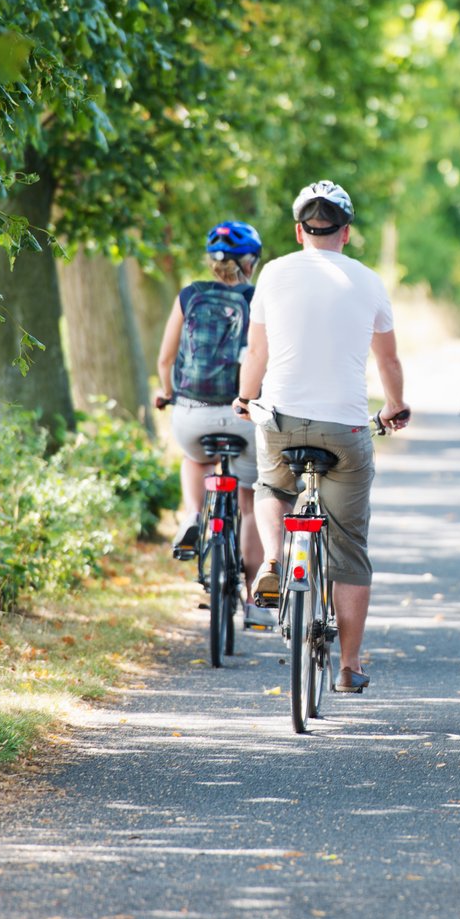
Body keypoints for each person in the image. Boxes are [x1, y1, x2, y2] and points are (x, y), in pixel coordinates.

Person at [233, 181, 410, 694]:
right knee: (349, 546)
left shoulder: (273, 272)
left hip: (282, 420)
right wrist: (395, 406)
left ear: (298, 230)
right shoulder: (370, 281)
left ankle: (271, 558)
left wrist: (247, 399)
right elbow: (389, 359)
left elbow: (257, 353)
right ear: (347, 233)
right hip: (346, 428)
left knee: (271, 488)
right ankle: (349, 667)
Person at [156, 220, 264, 612]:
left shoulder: (190, 295)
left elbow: (165, 359)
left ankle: (192, 515)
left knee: (194, 456)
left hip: (192, 413)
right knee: (250, 502)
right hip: (244, 414)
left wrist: (166, 393)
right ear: (251, 262)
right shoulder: (259, 299)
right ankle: (254, 595)